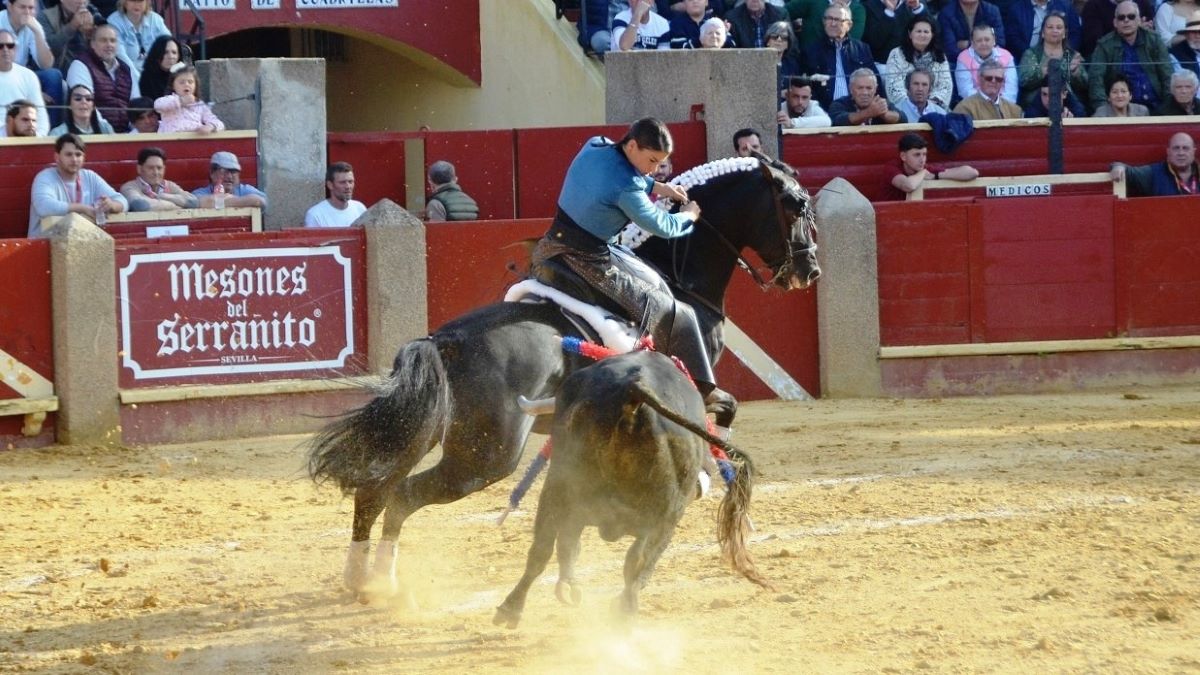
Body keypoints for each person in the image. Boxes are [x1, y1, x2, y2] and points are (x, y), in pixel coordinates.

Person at [528, 117, 717, 398]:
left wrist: (658, 187)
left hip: (549, 245)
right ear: (631, 145)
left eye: (659, 163)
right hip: (588, 260)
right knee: (675, 313)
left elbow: (618, 174)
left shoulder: (595, 145)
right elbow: (662, 227)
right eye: (652, 160)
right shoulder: (627, 188)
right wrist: (689, 215)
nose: (655, 169)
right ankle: (702, 394)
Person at [29, 132, 127, 237]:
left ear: (84, 157)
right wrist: (82, 208)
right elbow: (44, 207)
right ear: (57, 157)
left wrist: (111, 205)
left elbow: (123, 202)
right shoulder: (45, 177)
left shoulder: (90, 176)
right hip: (43, 246)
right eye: (68, 154)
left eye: (78, 154)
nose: (74, 159)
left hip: (81, 245)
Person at [1086, 1, 1172, 109]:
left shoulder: (1154, 40)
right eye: (1121, 17)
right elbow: (1096, 81)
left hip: (1156, 106)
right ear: (1115, 22)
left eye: (1131, 16)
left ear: (1139, 20)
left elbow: (1167, 76)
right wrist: (1103, 110)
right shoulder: (1104, 45)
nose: (1126, 20)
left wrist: (1168, 107)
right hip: (1120, 111)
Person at [801, 4, 878, 109]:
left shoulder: (862, 49)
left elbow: (874, 81)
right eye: (829, 19)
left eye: (838, 20)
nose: (832, 23)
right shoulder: (811, 51)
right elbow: (805, 87)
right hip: (823, 110)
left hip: (857, 109)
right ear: (823, 22)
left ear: (849, 25)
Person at [67, 23, 138, 132]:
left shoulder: (126, 69)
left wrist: (135, 130)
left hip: (127, 133)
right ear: (93, 44)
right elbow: (85, 104)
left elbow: (136, 104)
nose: (109, 45)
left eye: (113, 41)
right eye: (103, 40)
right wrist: (107, 131)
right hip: (96, 133)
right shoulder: (80, 65)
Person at [1016, 10, 1088, 107]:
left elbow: (1085, 84)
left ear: (1064, 34)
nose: (1055, 30)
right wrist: (1042, 72)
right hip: (1036, 105)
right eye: (1050, 27)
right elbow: (1023, 81)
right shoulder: (1031, 54)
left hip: (1068, 105)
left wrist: (1075, 73)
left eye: (1059, 27)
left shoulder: (1073, 55)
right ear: (1042, 33)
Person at [882, 132, 979, 200]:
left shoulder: (927, 169)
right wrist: (923, 173)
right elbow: (908, 186)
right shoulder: (892, 167)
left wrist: (938, 175)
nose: (922, 159)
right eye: (917, 155)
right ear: (903, 156)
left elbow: (972, 173)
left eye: (924, 154)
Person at [885, 15, 952, 109]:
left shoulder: (940, 55)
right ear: (910, 34)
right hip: (905, 109)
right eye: (918, 31)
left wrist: (929, 106)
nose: (922, 35)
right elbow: (894, 87)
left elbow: (945, 86)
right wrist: (912, 106)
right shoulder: (897, 54)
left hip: (934, 107)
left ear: (932, 35)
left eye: (926, 32)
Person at [1110, 131, 1198, 196]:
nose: (1181, 153)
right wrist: (1118, 166)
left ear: (1194, 151)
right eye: (1176, 148)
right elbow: (1128, 171)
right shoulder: (1153, 173)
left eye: (1185, 148)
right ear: (1168, 151)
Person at [0, 28, 49, 136]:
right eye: (0, 46)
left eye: (10, 46)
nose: (5, 49)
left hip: (25, 139)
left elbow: (41, 117)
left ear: (16, 49)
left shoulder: (28, 76)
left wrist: (37, 141)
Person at [119, 146, 198, 211]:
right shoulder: (129, 187)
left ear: (164, 169)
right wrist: (174, 206)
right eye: (150, 168)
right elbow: (140, 205)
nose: (156, 173)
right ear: (139, 169)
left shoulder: (170, 185)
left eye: (159, 168)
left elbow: (193, 202)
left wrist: (163, 196)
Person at [955, 23, 1019, 103]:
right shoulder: (963, 58)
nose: (983, 44)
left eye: (987, 39)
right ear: (972, 43)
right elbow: (965, 90)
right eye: (979, 40)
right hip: (975, 105)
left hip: (1003, 104)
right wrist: (986, 104)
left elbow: (1011, 88)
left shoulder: (1006, 56)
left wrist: (1000, 104)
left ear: (994, 40)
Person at [105, 0, 169, 76]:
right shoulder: (114, 22)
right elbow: (121, 56)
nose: (136, 4)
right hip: (126, 74)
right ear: (124, 2)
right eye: (133, 0)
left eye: (140, 1)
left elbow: (169, 44)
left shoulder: (155, 20)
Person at [1003, 0, 1081, 62]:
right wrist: (1030, 56)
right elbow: (1012, 38)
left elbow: (1075, 34)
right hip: (1026, 58)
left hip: (1061, 56)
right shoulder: (1016, 9)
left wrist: (1064, 53)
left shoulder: (1066, 6)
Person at [154, 64, 223, 133]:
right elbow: (158, 105)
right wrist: (181, 101)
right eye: (181, 82)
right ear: (173, 85)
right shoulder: (169, 99)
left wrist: (210, 126)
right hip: (171, 140)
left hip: (193, 141)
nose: (186, 84)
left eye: (190, 82)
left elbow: (218, 123)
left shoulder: (200, 104)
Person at [38, 0, 102, 73]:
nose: (81, 2)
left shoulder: (93, 14)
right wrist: (72, 26)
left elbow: (105, 49)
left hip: (88, 69)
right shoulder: (45, 17)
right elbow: (49, 49)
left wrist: (91, 34)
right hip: (61, 70)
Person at [860, 0, 928, 66]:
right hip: (882, 64)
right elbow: (874, 42)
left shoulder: (916, 3)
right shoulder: (868, 6)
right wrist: (889, 12)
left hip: (913, 62)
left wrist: (917, 8)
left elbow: (931, 30)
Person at [193, 151, 268, 210]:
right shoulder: (200, 193)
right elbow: (194, 202)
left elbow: (260, 201)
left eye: (233, 171)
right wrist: (241, 202)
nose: (229, 176)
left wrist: (218, 202)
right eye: (224, 171)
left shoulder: (244, 189)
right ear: (212, 174)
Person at [938, 0, 1007, 64]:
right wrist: (983, 44)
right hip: (958, 62)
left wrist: (967, 44)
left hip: (989, 61)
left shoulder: (992, 11)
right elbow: (950, 50)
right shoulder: (946, 13)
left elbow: (999, 42)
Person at [830, 67, 906, 124]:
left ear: (875, 89)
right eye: (860, 88)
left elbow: (903, 119)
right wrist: (869, 112)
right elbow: (837, 121)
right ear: (851, 89)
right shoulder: (839, 104)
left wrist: (885, 114)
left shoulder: (881, 103)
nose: (865, 92)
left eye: (869, 88)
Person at [953, 58, 1025, 117]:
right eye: (989, 78)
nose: (993, 81)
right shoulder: (964, 108)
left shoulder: (1015, 110)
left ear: (1003, 81)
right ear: (979, 79)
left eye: (998, 79)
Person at [1080, 0, 1155, 56]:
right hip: (1109, 61)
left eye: (1131, 17)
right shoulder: (1093, 6)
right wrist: (1132, 29)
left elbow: (1151, 35)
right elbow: (1094, 43)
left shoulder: (1142, 3)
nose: (1126, 20)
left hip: (1143, 57)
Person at [304, 161, 367, 228]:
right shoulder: (315, 215)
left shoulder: (360, 208)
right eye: (342, 182)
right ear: (330, 185)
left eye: (350, 182)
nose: (348, 186)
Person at [785, 0, 866, 46]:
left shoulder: (858, 10)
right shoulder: (813, 2)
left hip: (842, 60)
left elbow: (853, 39)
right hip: (808, 62)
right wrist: (792, 26)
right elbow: (782, 13)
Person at [49, 83, 113, 135]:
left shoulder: (106, 129)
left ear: (93, 106)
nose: (84, 102)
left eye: (88, 99)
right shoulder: (57, 133)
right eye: (78, 99)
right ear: (69, 105)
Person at [137, 35, 181, 100]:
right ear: (157, 53)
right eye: (165, 52)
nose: (171, 56)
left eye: (174, 52)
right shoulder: (147, 77)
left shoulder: (183, 75)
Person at [763, 20, 802, 94]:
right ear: (768, 41)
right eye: (774, 37)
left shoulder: (792, 65)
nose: (779, 39)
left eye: (784, 38)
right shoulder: (758, 63)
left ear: (788, 44)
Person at [1022, 76, 1088, 115]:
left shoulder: (1075, 110)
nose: (1048, 99)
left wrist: (1070, 124)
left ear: (1064, 94)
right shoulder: (1032, 112)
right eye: (1044, 94)